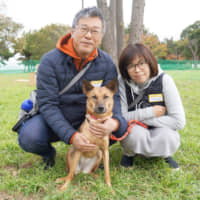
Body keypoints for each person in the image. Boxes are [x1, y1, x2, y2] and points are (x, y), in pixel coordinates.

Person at [18, 7, 127, 169]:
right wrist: (71, 136)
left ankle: (94, 153)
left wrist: (114, 122)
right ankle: (48, 154)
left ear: (101, 36)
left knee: (121, 126)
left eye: (95, 31)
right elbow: (48, 104)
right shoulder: (49, 61)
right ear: (72, 31)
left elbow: (114, 97)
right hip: (57, 118)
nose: (89, 36)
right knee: (30, 137)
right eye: (84, 29)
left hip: (90, 120)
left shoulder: (106, 63)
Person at [118, 43, 186, 169]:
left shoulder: (165, 80)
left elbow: (179, 121)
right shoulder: (121, 82)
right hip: (136, 128)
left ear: (150, 63)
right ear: (125, 69)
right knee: (133, 135)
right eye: (131, 66)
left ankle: (165, 154)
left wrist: (137, 119)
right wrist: (151, 112)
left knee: (168, 136)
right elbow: (121, 117)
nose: (137, 70)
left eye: (141, 63)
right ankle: (129, 154)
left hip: (161, 125)